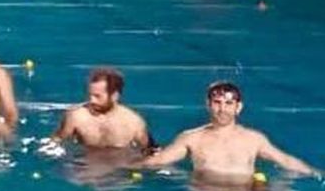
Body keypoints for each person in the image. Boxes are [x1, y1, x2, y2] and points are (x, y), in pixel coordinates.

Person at [139, 81, 317, 183]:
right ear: (208, 105)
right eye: (217, 102)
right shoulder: (191, 138)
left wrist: (316, 173)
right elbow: (159, 161)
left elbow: (285, 160)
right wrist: (121, 167)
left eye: (228, 104)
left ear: (238, 107)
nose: (222, 109)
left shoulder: (253, 139)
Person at [50, 68, 151, 153]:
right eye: (90, 95)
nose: (91, 100)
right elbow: (56, 141)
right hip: (84, 167)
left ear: (114, 96)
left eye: (97, 96)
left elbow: (150, 151)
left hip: (119, 170)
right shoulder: (76, 116)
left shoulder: (134, 123)